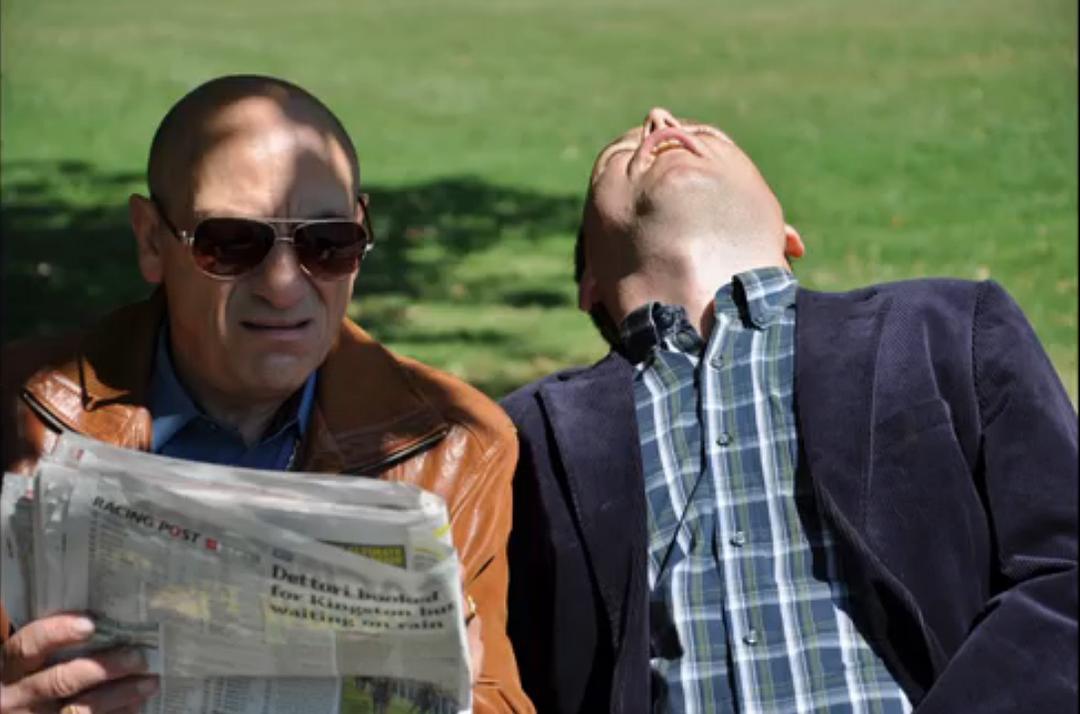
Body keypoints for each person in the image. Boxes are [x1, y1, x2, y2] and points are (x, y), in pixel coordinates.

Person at [502, 107, 1077, 713]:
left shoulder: (946, 328)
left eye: (707, 134)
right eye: (619, 156)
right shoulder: (518, 437)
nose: (659, 120)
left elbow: (1063, 571)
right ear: (589, 282)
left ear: (789, 234)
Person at [1, 75, 532, 713]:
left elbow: (499, 696)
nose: (283, 285)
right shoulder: (15, 416)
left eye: (326, 244)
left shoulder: (458, 447)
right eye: (232, 244)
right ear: (151, 240)